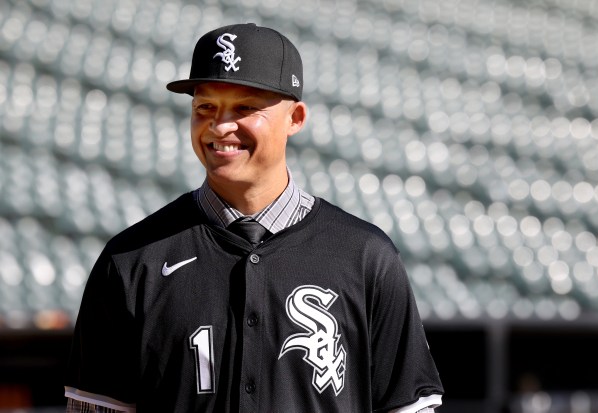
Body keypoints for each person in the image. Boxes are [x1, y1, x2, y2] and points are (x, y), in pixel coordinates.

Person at [64, 23, 444, 413]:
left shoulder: (366, 257)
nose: (219, 126)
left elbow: (407, 407)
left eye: (245, 108)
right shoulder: (130, 260)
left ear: (295, 118)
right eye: (204, 107)